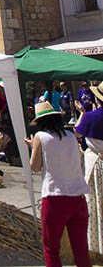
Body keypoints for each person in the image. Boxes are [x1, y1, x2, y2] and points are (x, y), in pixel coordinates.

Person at [25, 100, 90, 267]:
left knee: (52, 249)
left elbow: (35, 166)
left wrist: (33, 147)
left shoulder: (41, 137)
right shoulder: (70, 136)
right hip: (77, 197)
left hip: (55, 199)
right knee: (81, 250)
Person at [75, 81, 103, 257]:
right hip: (97, 161)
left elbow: (77, 132)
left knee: (94, 203)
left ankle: (97, 246)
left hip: (95, 163)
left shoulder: (91, 117)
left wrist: (82, 113)